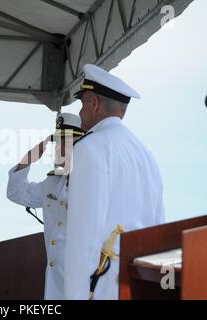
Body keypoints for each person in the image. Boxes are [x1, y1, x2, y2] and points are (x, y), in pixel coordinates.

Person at [65, 64, 165, 300]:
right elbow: (159, 230)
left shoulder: (89, 148)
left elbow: (83, 236)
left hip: (104, 285)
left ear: (94, 103)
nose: (79, 114)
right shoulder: (147, 155)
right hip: (140, 282)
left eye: (82, 104)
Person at [6, 113, 84, 300]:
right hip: (55, 281)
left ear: (80, 145)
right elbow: (16, 193)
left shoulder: (90, 180)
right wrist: (28, 159)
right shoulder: (52, 182)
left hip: (81, 279)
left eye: (65, 142)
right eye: (57, 143)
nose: (58, 149)